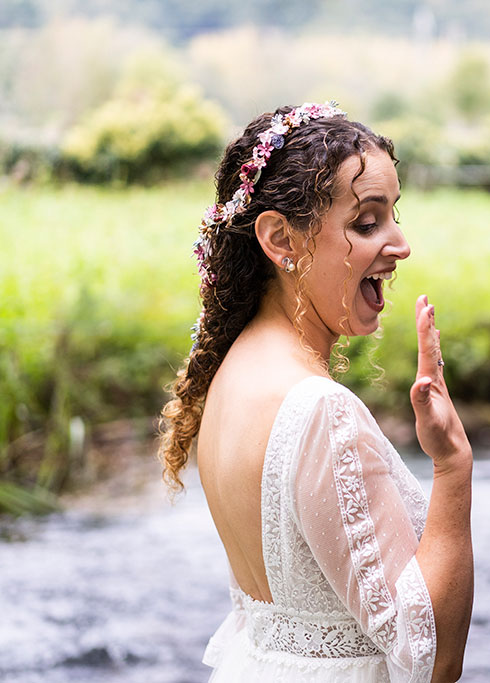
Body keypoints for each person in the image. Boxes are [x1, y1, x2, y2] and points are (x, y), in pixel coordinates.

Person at [158, 102, 473, 683]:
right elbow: (433, 661)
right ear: (281, 238)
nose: (401, 245)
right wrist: (453, 467)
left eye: (393, 215)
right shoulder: (318, 408)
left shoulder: (230, 376)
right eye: (366, 222)